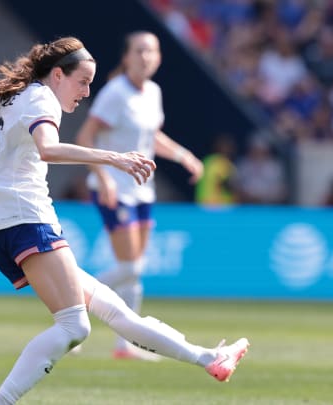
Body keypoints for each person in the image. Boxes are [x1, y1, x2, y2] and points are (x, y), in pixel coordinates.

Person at [0, 36, 248, 405]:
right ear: (57, 74)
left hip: (7, 227)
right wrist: (113, 157)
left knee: (115, 312)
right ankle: (1, 401)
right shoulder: (42, 100)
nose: (86, 92)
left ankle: (210, 358)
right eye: (82, 82)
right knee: (75, 326)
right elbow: (49, 149)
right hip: (28, 222)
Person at [75, 31, 204, 360]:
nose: (146, 56)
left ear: (159, 58)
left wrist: (182, 155)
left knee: (133, 268)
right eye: (140, 51)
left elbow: (152, 135)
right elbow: (86, 136)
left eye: (152, 51)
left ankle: (125, 345)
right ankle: (71, 306)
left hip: (143, 189)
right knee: (131, 266)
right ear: (127, 57)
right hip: (116, 189)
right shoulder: (115, 93)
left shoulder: (153, 92)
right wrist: (103, 177)